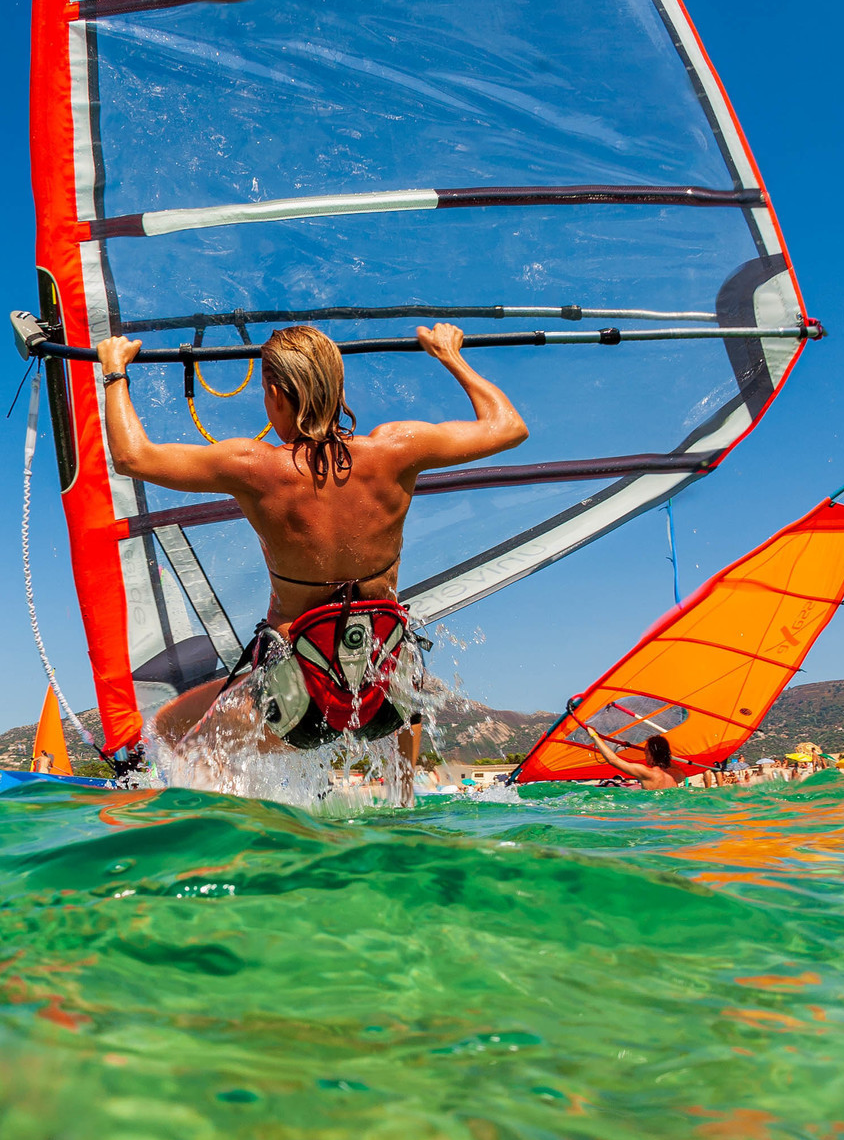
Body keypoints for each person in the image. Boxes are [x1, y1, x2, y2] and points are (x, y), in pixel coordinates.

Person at [94, 321, 527, 790]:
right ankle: (402, 800)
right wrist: (450, 356)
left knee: (172, 727)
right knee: (394, 652)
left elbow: (132, 457)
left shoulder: (253, 466)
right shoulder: (397, 448)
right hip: (386, 702)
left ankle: (241, 834)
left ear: (276, 394)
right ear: (337, 387)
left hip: (299, 705)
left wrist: (115, 370)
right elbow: (508, 427)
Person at [576, 721, 684, 791]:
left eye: (646, 751)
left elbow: (613, 760)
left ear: (651, 753)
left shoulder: (646, 773)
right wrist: (662, 752)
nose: (644, 754)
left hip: (652, 812)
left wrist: (594, 736)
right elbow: (667, 759)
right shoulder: (677, 774)